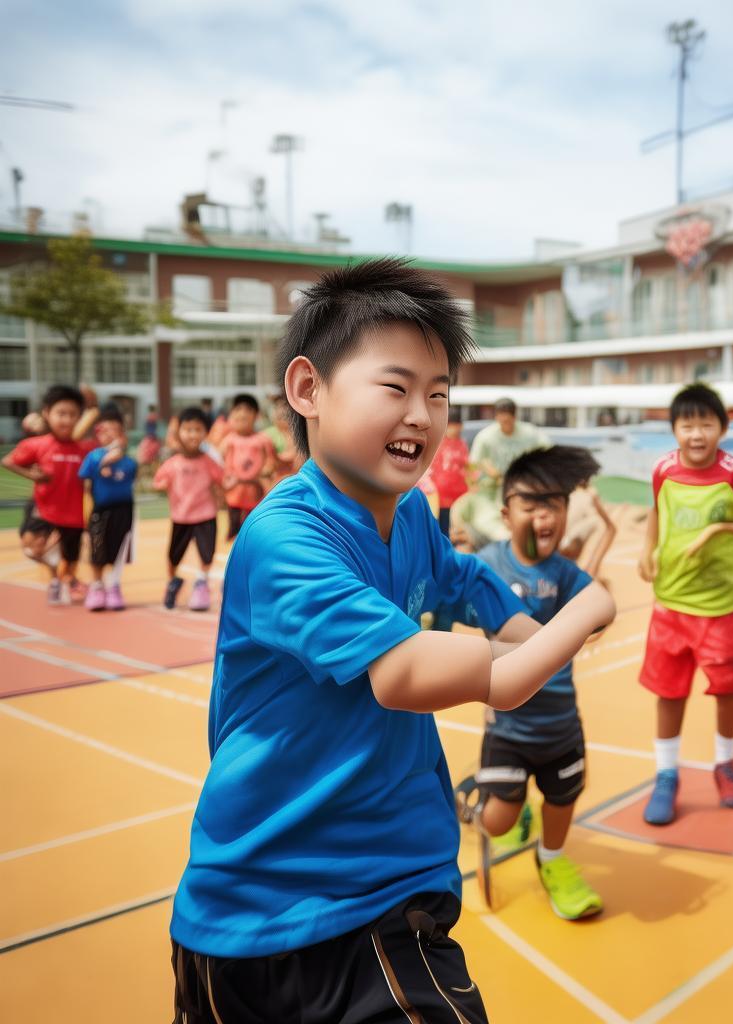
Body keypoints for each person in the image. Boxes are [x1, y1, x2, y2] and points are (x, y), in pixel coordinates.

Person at [168, 258, 615, 1024]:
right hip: (260, 909)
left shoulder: (408, 514)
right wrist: (586, 607)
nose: (422, 413)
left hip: (388, 888)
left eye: (440, 395)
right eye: (396, 386)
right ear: (308, 390)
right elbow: (405, 672)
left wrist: (522, 627)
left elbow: (463, 576)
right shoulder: (288, 536)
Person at [470, 445, 612, 921]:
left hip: (560, 726)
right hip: (508, 730)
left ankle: (550, 859)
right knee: (499, 819)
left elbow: (597, 614)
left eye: (553, 505)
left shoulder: (568, 574)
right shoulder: (485, 563)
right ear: (507, 513)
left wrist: (599, 606)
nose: (543, 516)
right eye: (530, 505)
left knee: (563, 800)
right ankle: (479, 805)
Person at [637, 383, 733, 826]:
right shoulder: (662, 470)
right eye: (687, 424)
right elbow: (656, 511)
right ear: (674, 428)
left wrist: (720, 533)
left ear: (722, 428)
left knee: (727, 689)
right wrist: (647, 550)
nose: (696, 434)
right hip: (669, 606)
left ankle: (726, 765)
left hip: (721, 607)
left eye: (706, 424)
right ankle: (666, 775)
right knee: (668, 694)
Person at [2, 385, 95, 605]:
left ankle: (63, 581)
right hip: (44, 510)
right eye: (61, 414)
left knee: (70, 560)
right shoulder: (37, 445)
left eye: (72, 415)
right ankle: (57, 576)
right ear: (47, 414)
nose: (66, 420)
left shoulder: (83, 448)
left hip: (73, 516)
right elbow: (7, 461)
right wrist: (32, 475)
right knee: (31, 547)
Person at [152, 407, 224, 612]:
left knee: (207, 554)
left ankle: (201, 583)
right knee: (173, 556)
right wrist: (161, 485)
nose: (192, 434)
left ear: (205, 433)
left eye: (197, 429)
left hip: (205, 515)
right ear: (179, 432)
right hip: (181, 517)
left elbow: (222, 479)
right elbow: (158, 481)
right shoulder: (172, 463)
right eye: (188, 429)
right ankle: (173, 582)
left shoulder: (209, 462)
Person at [78, 404, 137, 611]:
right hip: (100, 510)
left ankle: (113, 586)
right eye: (105, 429)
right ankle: (96, 586)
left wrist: (117, 453)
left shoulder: (129, 461)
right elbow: (86, 487)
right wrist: (85, 514)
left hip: (124, 509)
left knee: (118, 549)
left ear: (122, 433)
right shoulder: (93, 457)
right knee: (97, 549)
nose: (110, 433)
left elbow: (130, 476)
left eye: (115, 429)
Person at [219, 393, 276, 540]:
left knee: (253, 526)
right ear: (232, 415)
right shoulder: (229, 440)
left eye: (247, 410)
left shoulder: (263, 440)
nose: (242, 413)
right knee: (234, 526)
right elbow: (218, 460)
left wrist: (266, 470)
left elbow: (271, 460)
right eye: (238, 410)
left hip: (255, 490)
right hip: (234, 490)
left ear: (255, 416)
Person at [470, 398, 550, 501]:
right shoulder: (485, 437)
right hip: (491, 492)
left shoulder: (530, 434)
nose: (505, 424)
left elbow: (548, 451)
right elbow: (472, 464)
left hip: (521, 488)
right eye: (502, 420)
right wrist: (475, 481)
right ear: (496, 417)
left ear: (514, 417)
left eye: (508, 420)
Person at [429, 407, 471, 536]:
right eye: (451, 425)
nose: (454, 429)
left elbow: (468, 468)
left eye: (457, 425)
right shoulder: (437, 443)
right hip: (440, 497)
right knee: (441, 532)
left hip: (459, 497)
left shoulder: (462, 444)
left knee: (456, 532)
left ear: (461, 426)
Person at [262, 395, 302, 486]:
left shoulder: (302, 434)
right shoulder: (266, 435)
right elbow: (265, 469)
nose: (282, 411)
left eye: (286, 406)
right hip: (275, 485)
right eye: (278, 407)